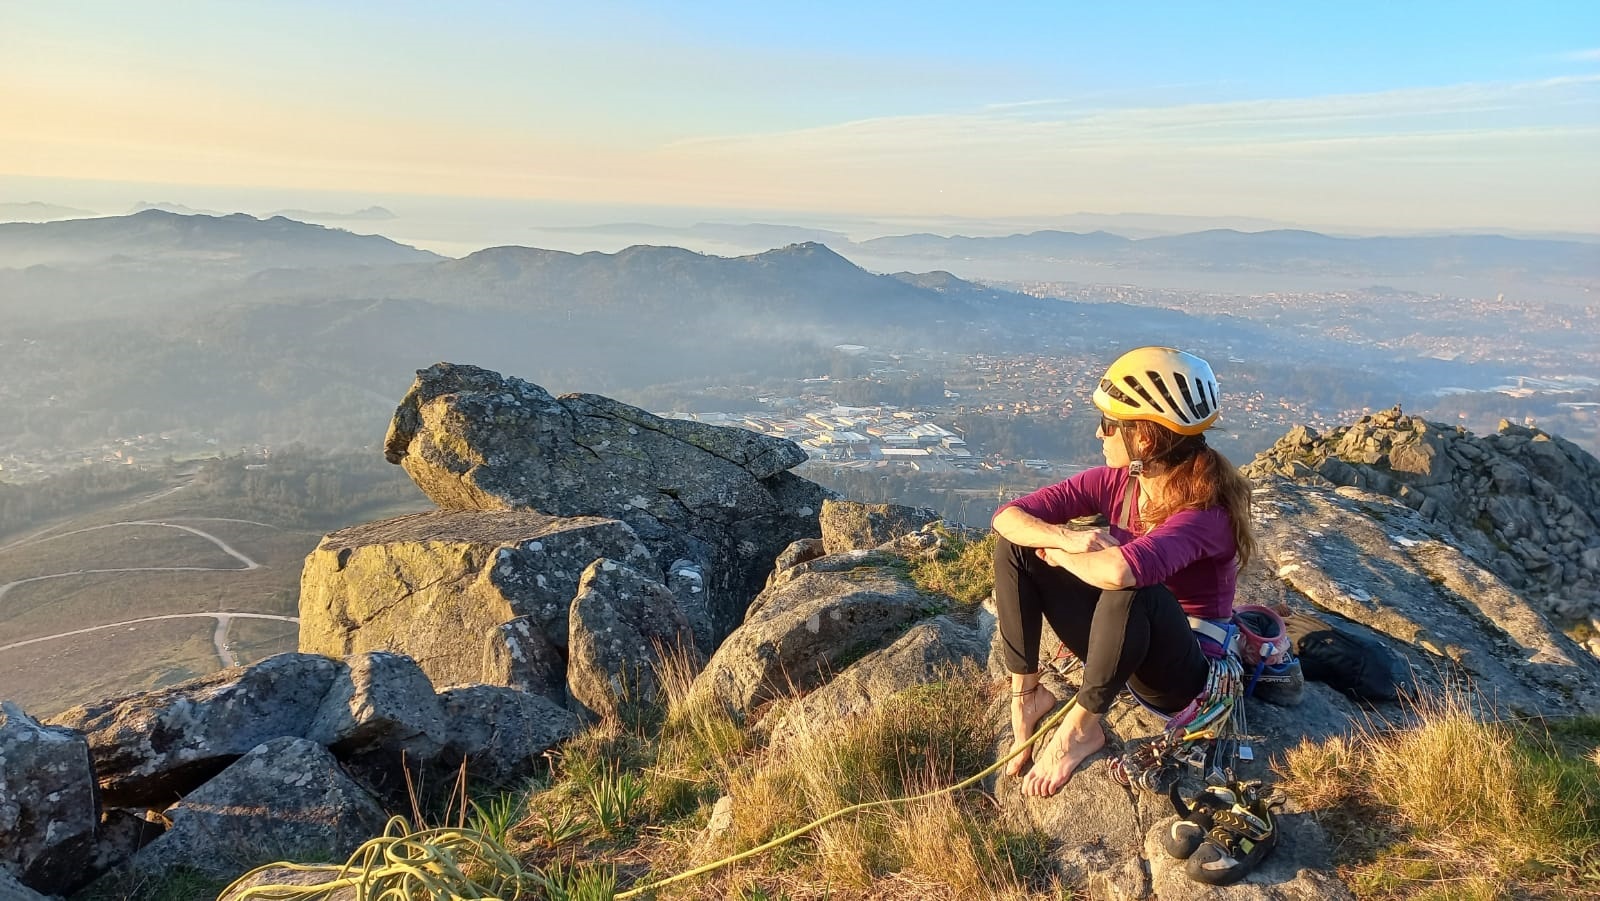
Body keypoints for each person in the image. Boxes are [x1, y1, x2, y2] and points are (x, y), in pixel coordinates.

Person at [991, 346, 1255, 797]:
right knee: (1018, 544)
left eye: (1110, 425)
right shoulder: (1117, 482)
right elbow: (1007, 516)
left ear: (1145, 439)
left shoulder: (1205, 513)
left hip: (1180, 673)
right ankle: (1028, 696)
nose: (1100, 433)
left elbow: (1120, 572)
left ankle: (1082, 728)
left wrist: (1065, 557)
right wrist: (1066, 539)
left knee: (1135, 587)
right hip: (1121, 642)